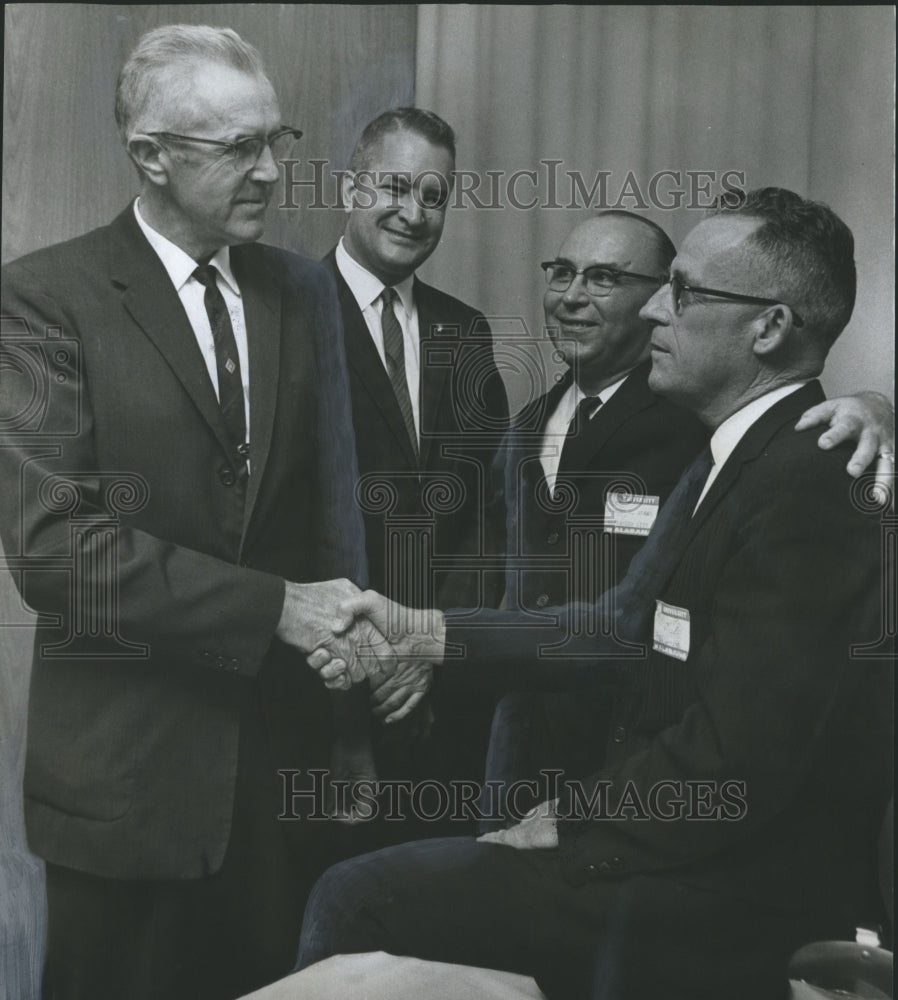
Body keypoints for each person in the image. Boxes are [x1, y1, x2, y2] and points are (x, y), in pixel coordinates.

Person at [297, 188, 894, 999]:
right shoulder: (739, 455)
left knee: (359, 895)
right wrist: (421, 631)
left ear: (770, 326)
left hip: (731, 893)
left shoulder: (811, 474)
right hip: (683, 855)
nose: (653, 311)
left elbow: (741, 757)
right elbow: (618, 624)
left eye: (683, 292)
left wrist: (570, 821)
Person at [0, 24, 385, 1000]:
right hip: (125, 792)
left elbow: (332, 524)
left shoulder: (303, 293)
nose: (269, 172)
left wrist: (348, 734)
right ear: (152, 156)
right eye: (237, 149)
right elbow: (58, 554)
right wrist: (275, 609)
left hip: (281, 781)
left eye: (278, 140)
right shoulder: (44, 300)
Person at [323, 108, 509, 816]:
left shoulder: (464, 331)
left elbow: (490, 510)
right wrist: (367, 666)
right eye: (394, 188)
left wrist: (432, 644)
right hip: (325, 697)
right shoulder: (283, 317)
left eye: (434, 196)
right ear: (350, 189)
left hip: (440, 690)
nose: (414, 213)